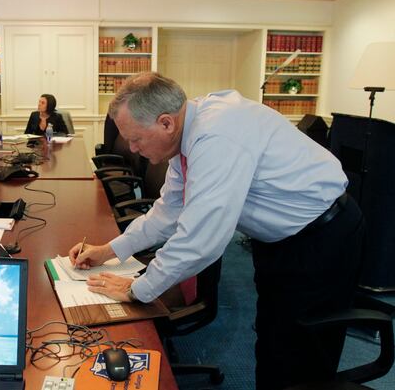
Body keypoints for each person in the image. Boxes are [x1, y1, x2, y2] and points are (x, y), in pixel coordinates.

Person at [69, 72, 365, 390]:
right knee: (272, 339)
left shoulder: (216, 137)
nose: (132, 147)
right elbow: (165, 215)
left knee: (301, 352)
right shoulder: (187, 139)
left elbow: (200, 240)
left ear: (166, 123)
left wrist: (137, 290)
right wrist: (107, 250)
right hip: (281, 239)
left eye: (136, 139)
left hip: (322, 236)